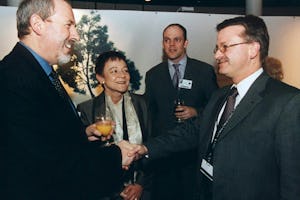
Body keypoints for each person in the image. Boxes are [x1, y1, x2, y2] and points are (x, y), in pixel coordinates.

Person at [131, 15, 300, 200]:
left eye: (225, 47)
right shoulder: (221, 95)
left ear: (253, 49)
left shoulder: (287, 102)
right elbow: (191, 132)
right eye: (217, 48)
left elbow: (293, 181)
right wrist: (144, 149)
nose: (217, 55)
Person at [0, 1, 133, 199]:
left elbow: (47, 137)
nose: (76, 35)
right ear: (38, 24)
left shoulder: (41, 73)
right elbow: (47, 166)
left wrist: (82, 134)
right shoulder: (13, 79)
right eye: (68, 25)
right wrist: (115, 155)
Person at [144, 23, 218, 200]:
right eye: (167, 40)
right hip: (163, 159)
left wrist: (197, 112)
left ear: (185, 43)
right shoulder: (153, 75)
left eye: (176, 40)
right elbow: (149, 113)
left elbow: (217, 108)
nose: (171, 45)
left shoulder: (204, 71)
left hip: (193, 155)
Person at [77, 51, 152, 200]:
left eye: (125, 70)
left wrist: (141, 184)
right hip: (104, 190)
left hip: (140, 190)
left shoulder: (142, 104)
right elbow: (82, 157)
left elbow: (151, 144)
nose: (122, 75)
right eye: (114, 71)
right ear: (100, 78)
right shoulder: (87, 109)